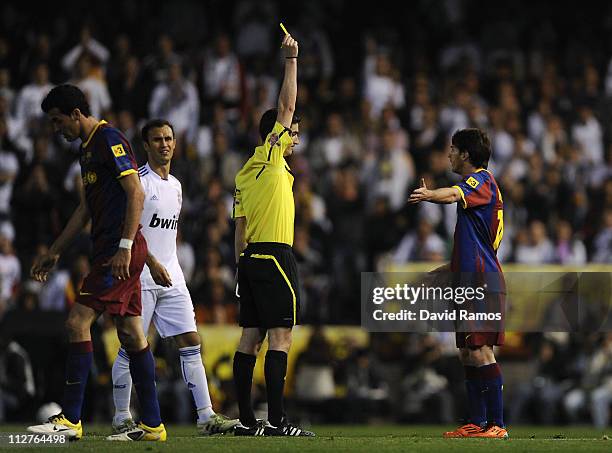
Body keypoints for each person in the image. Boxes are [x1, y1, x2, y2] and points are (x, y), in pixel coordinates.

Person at [27, 84, 166, 442]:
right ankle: (152, 425)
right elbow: (87, 209)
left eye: (59, 121)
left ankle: (71, 419)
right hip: (115, 248)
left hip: (116, 251)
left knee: (77, 322)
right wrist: (56, 249)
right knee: (131, 334)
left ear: (76, 114)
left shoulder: (109, 139)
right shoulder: (87, 152)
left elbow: (135, 192)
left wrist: (124, 246)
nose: (57, 129)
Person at [110, 119, 238, 436]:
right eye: (157, 140)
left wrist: (167, 263)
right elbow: (129, 232)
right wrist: (151, 262)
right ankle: (122, 415)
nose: (164, 144)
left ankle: (206, 416)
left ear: (175, 143)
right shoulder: (138, 183)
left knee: (191, 341)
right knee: (132, 346)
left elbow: (167, 233)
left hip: (172, 275)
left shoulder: (177, 186)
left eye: (168, 138)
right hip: (140, 275)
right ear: (146, 145)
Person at [231, 32, 314, 437]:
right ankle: (278, 421)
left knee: (251, 337)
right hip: (276, 256)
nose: (294, 136)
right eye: (291, 131)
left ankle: (247, 421)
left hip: (249, 260)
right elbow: (286, 104)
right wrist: (292, 60)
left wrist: (240, 270)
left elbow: (239, 229)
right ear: (275, 135)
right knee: (281, 336)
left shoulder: (245, 174)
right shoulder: (269, 153)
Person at [408, 128, 508, 438]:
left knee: (481, 350)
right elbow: (474, 244)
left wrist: (428, 195)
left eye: (453, 149)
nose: (449, 154)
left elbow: (453, 194)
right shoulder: (476, 193)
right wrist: (442, 272)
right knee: (467, 352)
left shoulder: (481, 180)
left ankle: (497, 425)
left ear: (466, 154)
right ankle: (477, 422)